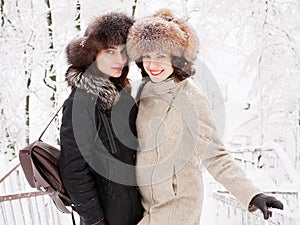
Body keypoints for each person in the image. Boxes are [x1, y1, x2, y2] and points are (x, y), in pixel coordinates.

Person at [126, 9, 284, 225]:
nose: (153, 65)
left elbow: (216, 155)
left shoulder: (190, 97)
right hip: (146, 204)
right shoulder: (143, 93)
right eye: (147, 56)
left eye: (161, 56)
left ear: (177, 58)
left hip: (178, 205)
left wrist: (253, 195)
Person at [59, 12, 143, 225]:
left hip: (136, 211)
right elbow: (73, 169)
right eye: (110, 51)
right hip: (108, 217)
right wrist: (95, 220)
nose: (119, 60)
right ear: (92, 54)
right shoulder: (81, 102)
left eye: (124, 51)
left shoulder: (122, 94)